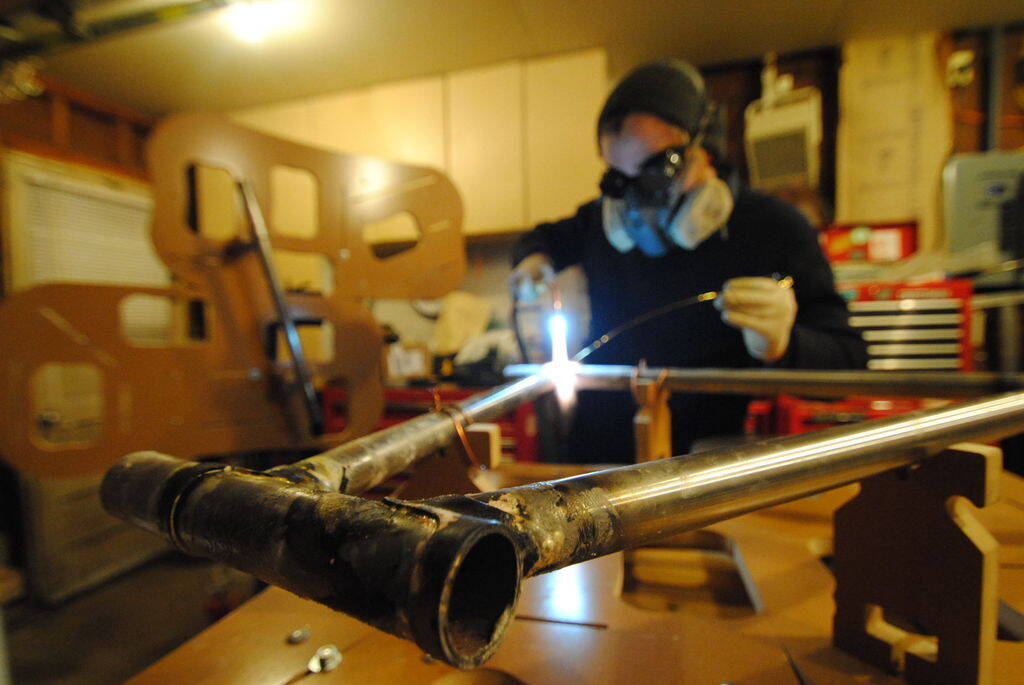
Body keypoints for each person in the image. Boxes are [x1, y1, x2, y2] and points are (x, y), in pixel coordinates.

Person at [509, 58, 867, 463]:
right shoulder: (599, 221)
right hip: (596, 458)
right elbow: (537, 239)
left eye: (657, 172)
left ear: (706, 150)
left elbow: (849, 364)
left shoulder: (774, 228)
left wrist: (783, 345)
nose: (637, 203)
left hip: (704, 468)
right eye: (620, 180)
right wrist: (532, 262)